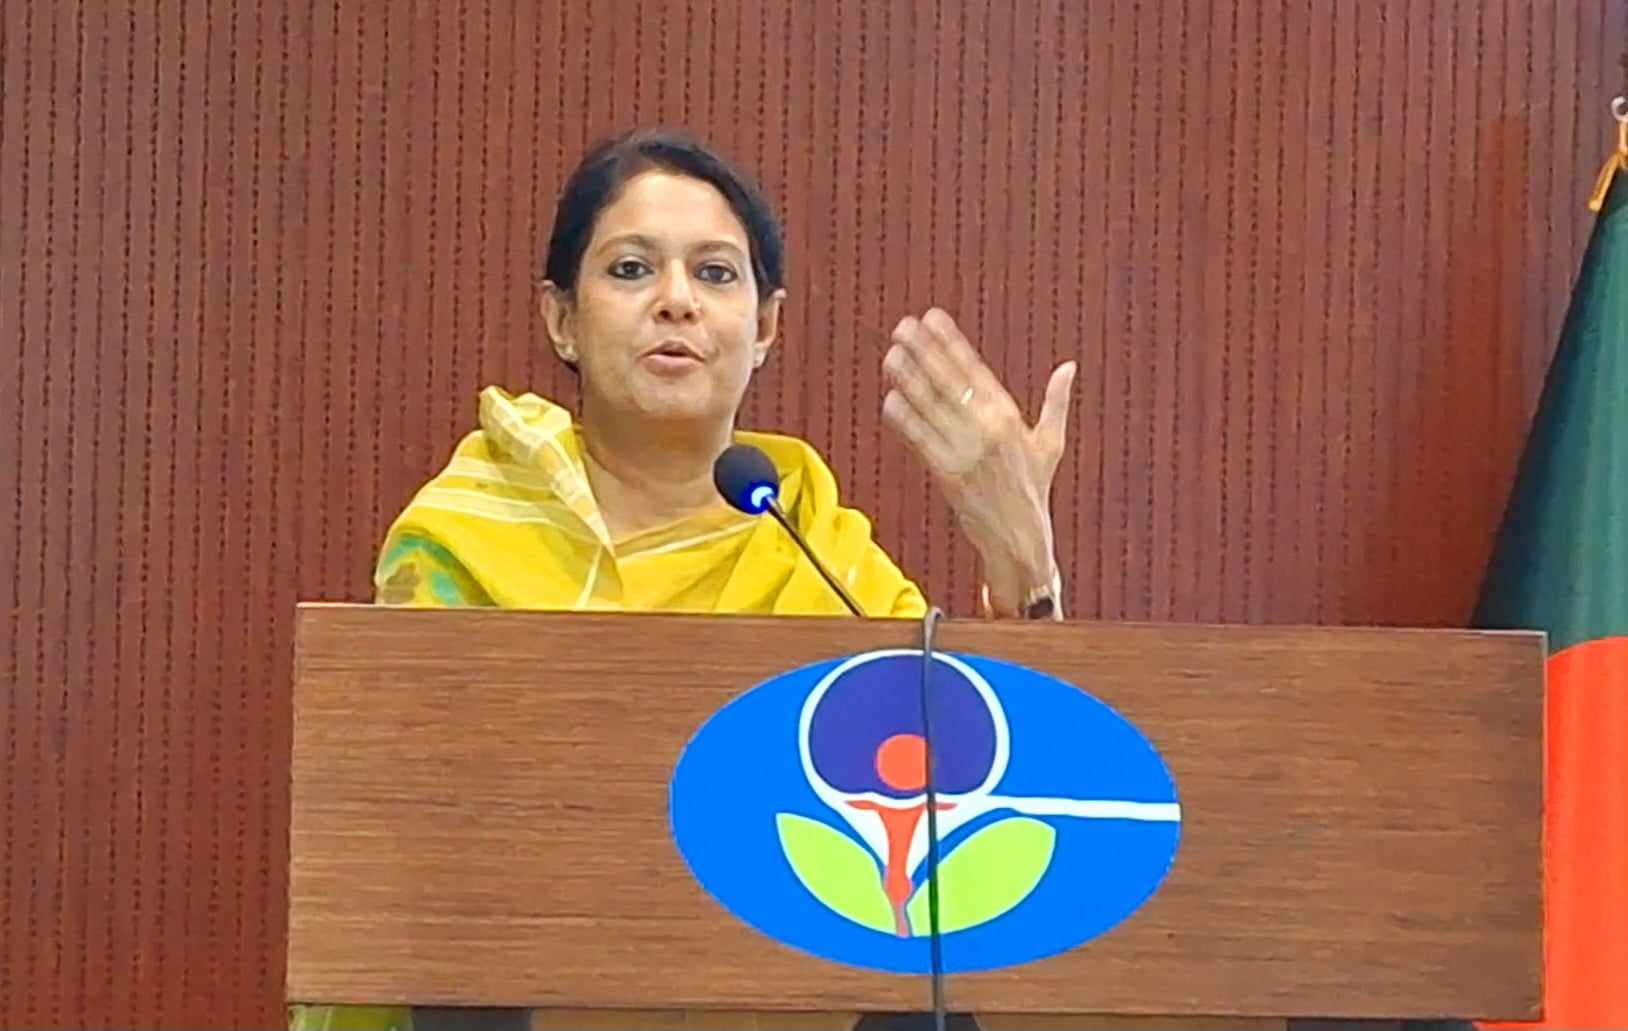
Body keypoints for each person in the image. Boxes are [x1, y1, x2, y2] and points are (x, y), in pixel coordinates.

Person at [288, 128, 1078, 1031]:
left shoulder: (811, 541)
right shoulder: (467, 538)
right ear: (561, 318)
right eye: (631, 270)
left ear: (765, 327)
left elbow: (981, 799)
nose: (676, 300)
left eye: (714, 273)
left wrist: (1026, 562)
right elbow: (407, 857)